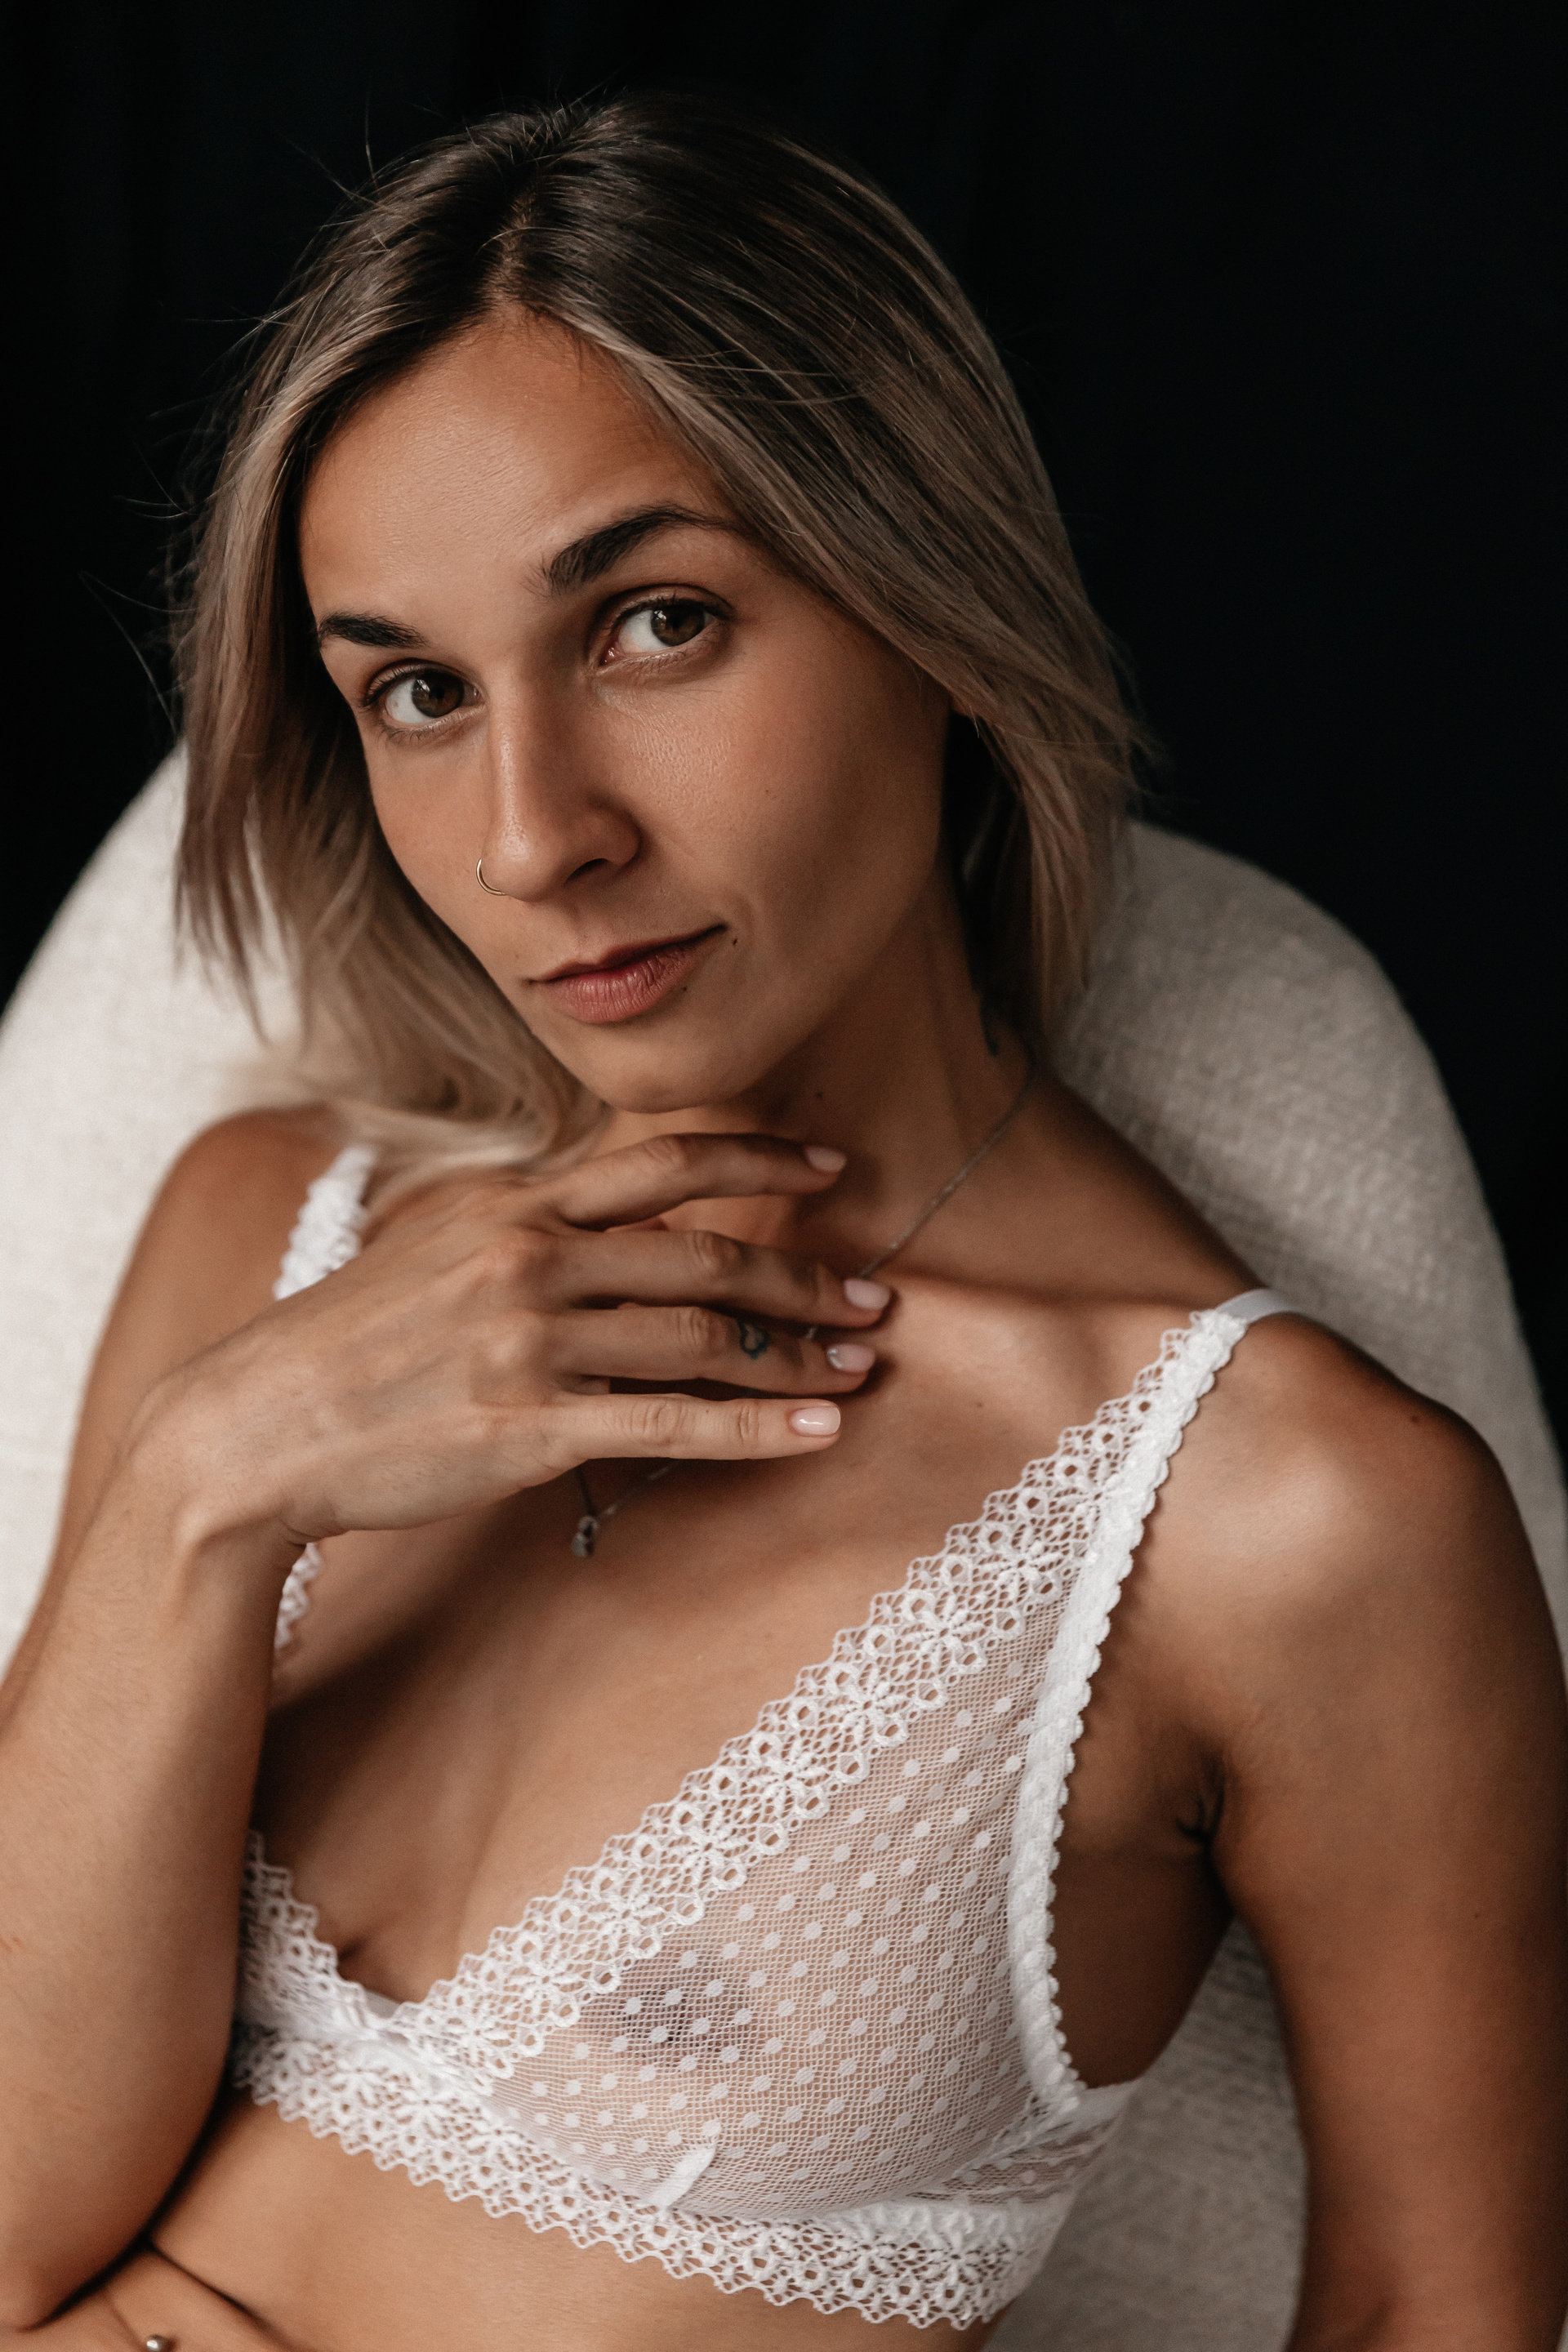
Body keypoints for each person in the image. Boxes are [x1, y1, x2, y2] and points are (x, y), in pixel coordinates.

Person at [1, 95, 1562, 2352]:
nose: (534, 836)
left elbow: (1445, 2312)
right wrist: (203, 1482)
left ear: (931, 605)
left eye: (654, 624)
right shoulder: (272, 1249)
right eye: (419, 692)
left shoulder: (1285, 1522)